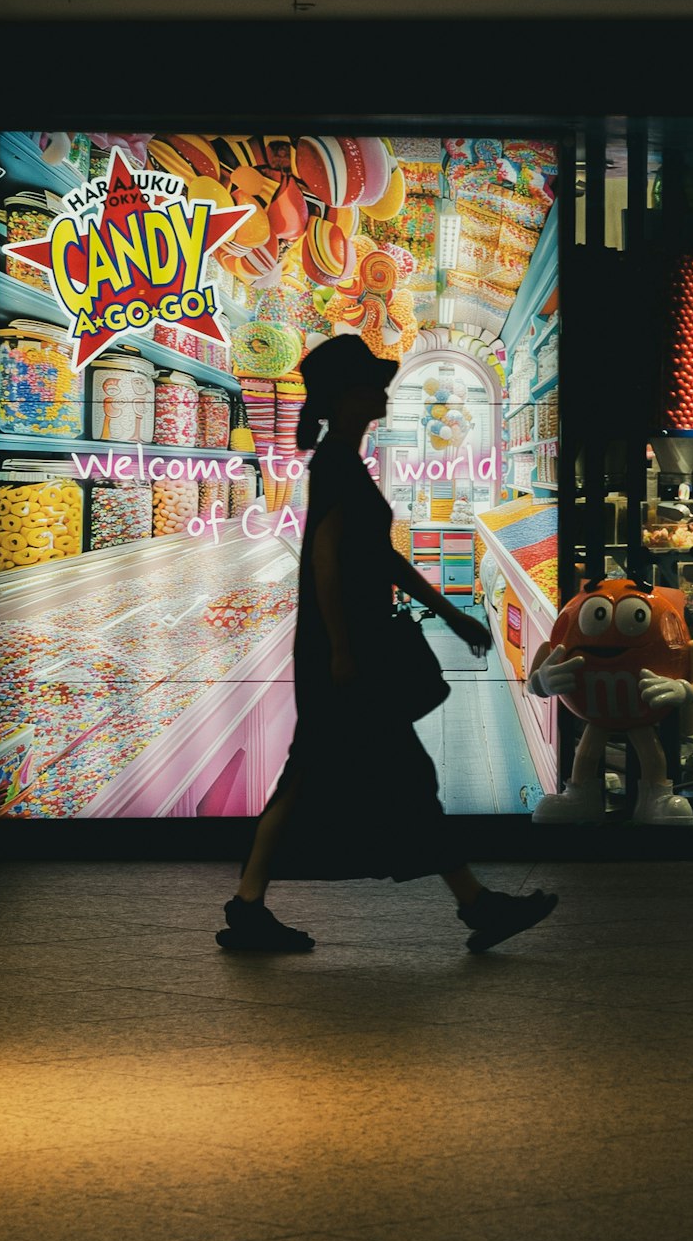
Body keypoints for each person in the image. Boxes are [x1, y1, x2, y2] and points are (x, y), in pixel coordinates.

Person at [217, 332, 560, 955]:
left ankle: (249, 905)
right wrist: (344, 649)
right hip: (344, 650)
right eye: (373, 383)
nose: (382, 392)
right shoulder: (337, 465)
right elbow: (325, 560)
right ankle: (477, 905)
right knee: (399, 773)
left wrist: (448, 614)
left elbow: (377, 558)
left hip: (344, 645)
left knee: (314, 778)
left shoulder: (343, 460)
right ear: (350, 397)